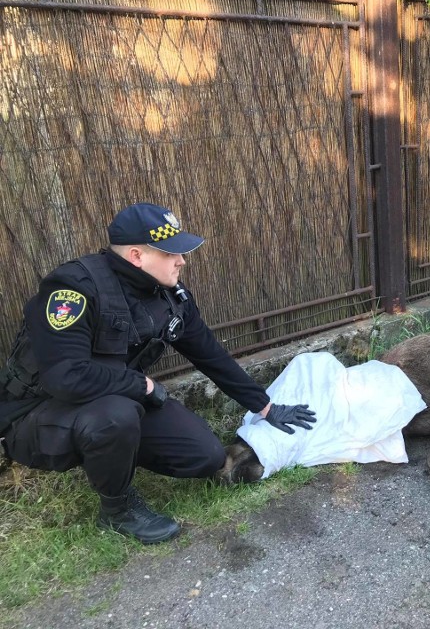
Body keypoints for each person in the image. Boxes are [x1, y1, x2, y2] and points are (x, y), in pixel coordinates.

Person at [0, 202, 317, 545]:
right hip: (37, 414)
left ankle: (110, 454)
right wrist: (141, 384)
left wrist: (264, 406)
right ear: (136, 256)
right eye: (171, 253)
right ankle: (117, 509)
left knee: (206, 456)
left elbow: (209, 353)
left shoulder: (168, 296)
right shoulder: (74, 289)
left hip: (113, 402)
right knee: (116, 415)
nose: (182, 260)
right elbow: (65, 376)